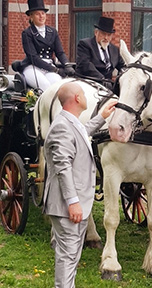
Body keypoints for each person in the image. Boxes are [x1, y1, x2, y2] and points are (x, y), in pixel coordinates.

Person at [43, 82, 116, 288]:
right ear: (76, 98)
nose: (85, 96)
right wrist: (73, 202)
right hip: (68, 207)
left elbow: (82, 132)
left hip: (77, 206)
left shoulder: (69, 123)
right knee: (67, 258)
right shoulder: (61, 127)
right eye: (83, 93)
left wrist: (102, 116)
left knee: (71, 256)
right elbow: (62, 167)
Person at [20, 0, 75, 91]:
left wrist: (67, 65)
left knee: (58, 86)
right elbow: (33, 57)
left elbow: (60, 52)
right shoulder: (27, 33)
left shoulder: (52, 31)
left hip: (49, 67)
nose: (41, 16)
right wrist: (55, 70)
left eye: (43, 13)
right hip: (33, 67)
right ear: (31, 16)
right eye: (37, 14)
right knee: (45, 86)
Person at [75, 16, 125, 92]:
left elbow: (122, 66)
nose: (106, 38)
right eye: (103, 34)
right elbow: (85, 65)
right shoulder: (85, 44)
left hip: (108, 87)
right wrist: (102, 79)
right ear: (96, 33)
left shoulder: (114, 49)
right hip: (88, 83)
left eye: (108, 35)